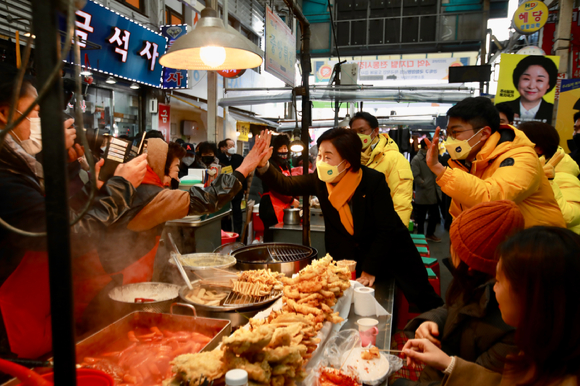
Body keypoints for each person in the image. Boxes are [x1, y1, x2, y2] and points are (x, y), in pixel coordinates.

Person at [0, 72, 148, 360]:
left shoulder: (19, 167)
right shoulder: (6, 178)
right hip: (9, 324)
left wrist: (87, 188)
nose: (39, 124)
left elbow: (54, 218)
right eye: (36, 113)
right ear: (5, 114)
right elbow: (67, 235)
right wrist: (122, 185)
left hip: (36, 311)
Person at [86, 138, 269, 331]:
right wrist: (245, 167)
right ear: (160, 168)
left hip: (107, 284)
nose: (177, 174)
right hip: (114, 289)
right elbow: (209, 199)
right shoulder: (151, 194)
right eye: (175, 167)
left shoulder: (130, 186)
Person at [256, 128, 442, 312]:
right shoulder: (320, 181)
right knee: (348, 308)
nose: (321, 162)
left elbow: (386, 230)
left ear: (347, 161)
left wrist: (369, 269)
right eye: (319, 155)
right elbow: (286, 184)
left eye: (328, 157)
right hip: (347, 259)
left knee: (410, 303)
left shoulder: (372, 181)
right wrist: (264, 165)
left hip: (388, 254)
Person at [400, 227, 580, 386]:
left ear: (532, 297)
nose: (494, 288)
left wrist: (449, 365)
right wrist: (448, 362)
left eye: (499, 281)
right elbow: (451, 308)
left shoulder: (515, 340)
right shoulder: (538, 345)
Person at [393, 201, 523, 385]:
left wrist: (449, 365)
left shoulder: (511, 322)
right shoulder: (472, 282)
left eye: (454, 245)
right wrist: (430, 321)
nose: (450, 249)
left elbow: (477, 379)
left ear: (470, 263)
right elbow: (453, 308)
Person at [425, 96, 565, 229]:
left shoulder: (522, 157)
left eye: (455, 132)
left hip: (535, 249)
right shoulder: (468, 163)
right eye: (448, 133)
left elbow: (493, 198)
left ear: (484, 134)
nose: (450, 140)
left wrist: (439, 169)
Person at [349, 112, 414, 226]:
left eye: (362, 131)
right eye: (354, 132)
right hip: (357, 230)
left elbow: (401, 202)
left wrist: (397, 236)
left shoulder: (394, 159)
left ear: (375, 131)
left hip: (383, 231)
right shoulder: (351, 159)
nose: (358, 136)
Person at [519, 122, 580, 234]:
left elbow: (567, 217)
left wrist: (547, 181)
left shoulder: (566, 177)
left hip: (558, 248)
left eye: (518, 142)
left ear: (538, 149)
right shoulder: (522, 171)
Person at [258, 134, 300, 242]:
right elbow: (275, 186)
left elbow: (289, 184)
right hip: (270, 206)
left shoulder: (286, 165)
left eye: (285, 148)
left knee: (281, 236)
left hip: (283, 204)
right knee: (272, 236)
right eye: (280, 148)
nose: (283, 151)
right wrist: (291, 199)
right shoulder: (270, 164)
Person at [496, 55, 558, 124]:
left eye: (539, 80)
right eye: (526, 79)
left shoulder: (555, 112)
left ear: (548, 84)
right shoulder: (501, 109)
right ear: (517, 80)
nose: (531, 86)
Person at [411, 137, 442, 242]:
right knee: (420, 217)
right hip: (423, 192)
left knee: (434, 216)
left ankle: (430, 234)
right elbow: (415, 175)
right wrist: (424, 183)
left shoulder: (434, 157)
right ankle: (420, 235)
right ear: (425, 146)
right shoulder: (417, 159)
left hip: (434, 191)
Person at [218, 138, 246, 236]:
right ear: (224, 147)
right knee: (225, 213)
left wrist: (245, 188)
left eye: (233, 145)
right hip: (224, 190)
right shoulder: (219, 158)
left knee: (237, 212)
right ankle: (226, 232)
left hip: (237, 189)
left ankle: (238, 233)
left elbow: (244, 174)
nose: (232, 148)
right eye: (230, 146)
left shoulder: (239, 158)